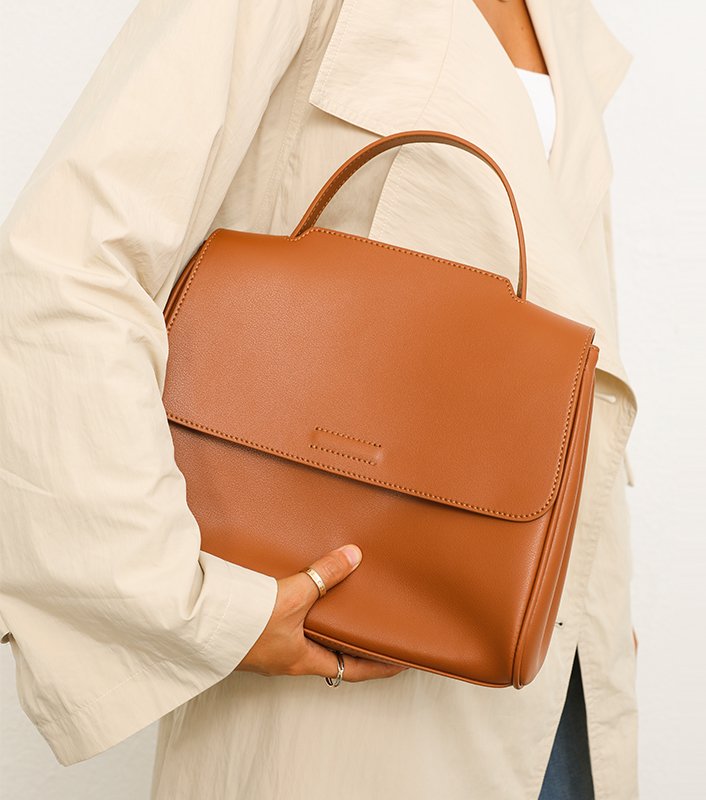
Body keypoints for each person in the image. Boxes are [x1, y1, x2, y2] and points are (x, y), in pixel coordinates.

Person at [0, 0, 640, 797]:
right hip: (339, 681)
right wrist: (194, 607)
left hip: (561, 680)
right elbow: (66, 266)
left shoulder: (568, 22)